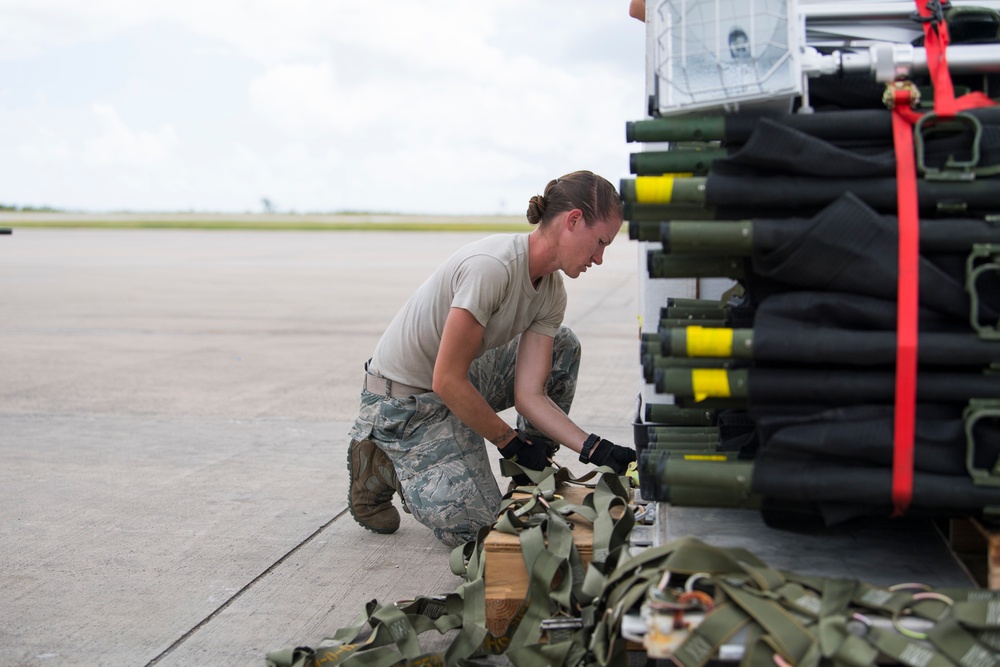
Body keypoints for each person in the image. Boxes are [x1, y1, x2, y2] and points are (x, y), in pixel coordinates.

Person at [346, 170, 637, 547]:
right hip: (404, 403)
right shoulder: (493, 267)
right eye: (600, 242)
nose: (599, 258)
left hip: (454, 383)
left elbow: (530, 394)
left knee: (563, 345)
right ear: (573, 220)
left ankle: (528, 475)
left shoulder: (551, 292)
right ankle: (384, 459)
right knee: (482, 529)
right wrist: (509, 441)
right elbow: (446, 381)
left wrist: (595, 448)